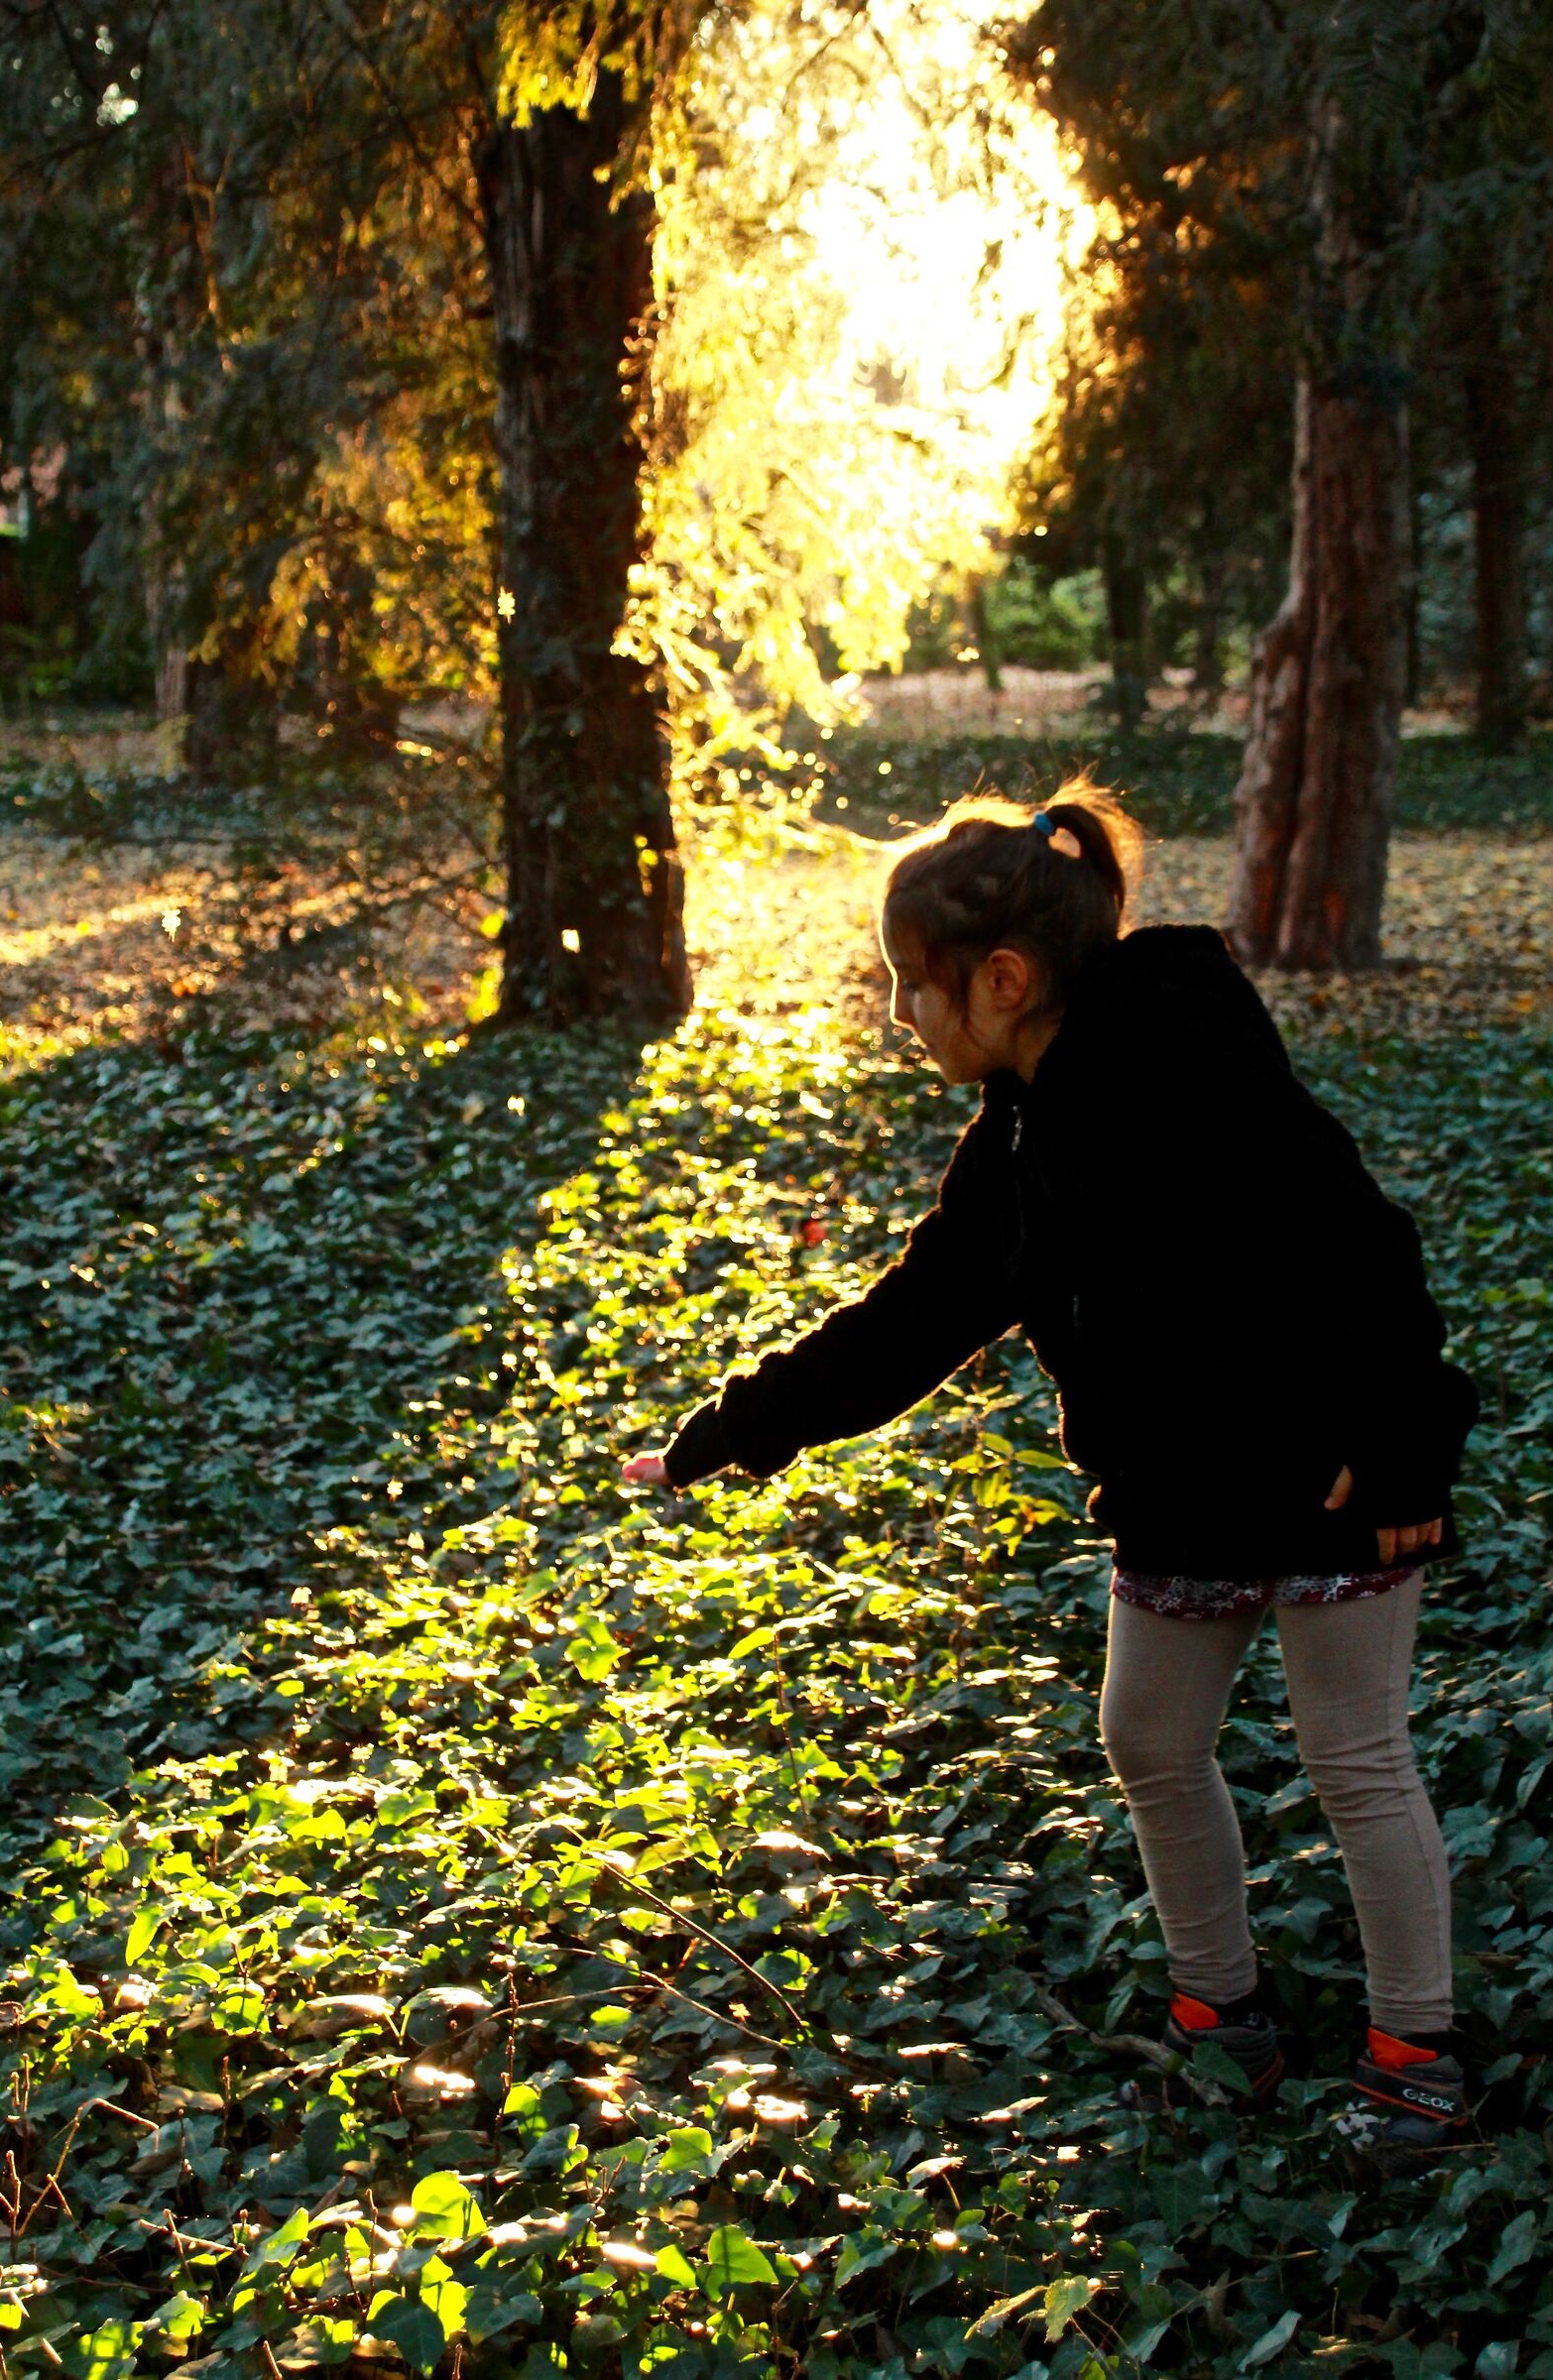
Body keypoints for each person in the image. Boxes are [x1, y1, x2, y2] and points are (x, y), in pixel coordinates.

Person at [621, 782, 1478, 2155]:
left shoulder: (1187, 1058)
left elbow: (1361, 1242)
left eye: (914, 986)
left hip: (1337, 1470)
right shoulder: (1016, 1137)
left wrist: (1398, 1445)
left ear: (1005, 979)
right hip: (1180, 1487)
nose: (901, 1013)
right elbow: (916, 1318)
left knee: (1354, 1758)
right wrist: (740, 1426)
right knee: (1146, 1735)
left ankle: (1415, 2055)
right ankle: (1223, 2019)